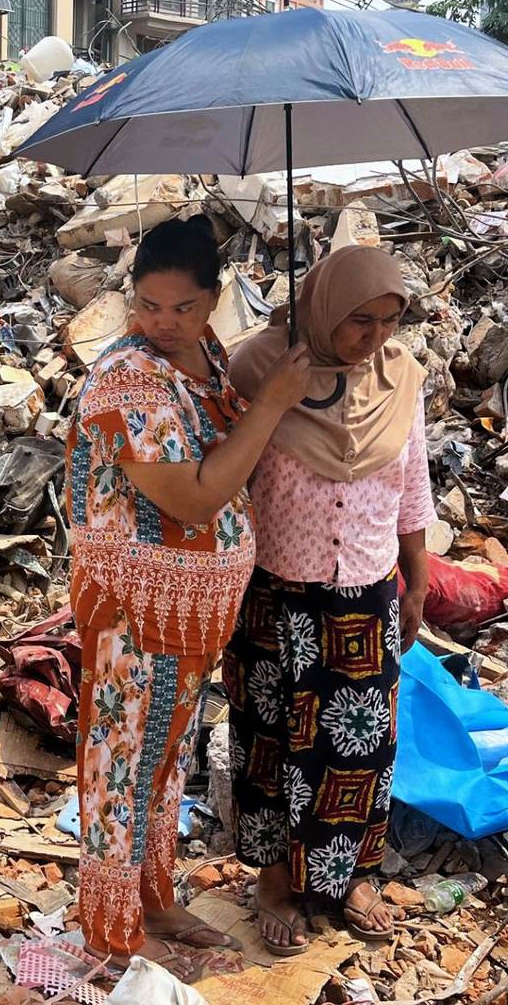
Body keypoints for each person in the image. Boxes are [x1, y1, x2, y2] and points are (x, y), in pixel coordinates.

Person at [69, 215, 311, 978]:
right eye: (147, 304)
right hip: (135, 612)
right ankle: (112, 932)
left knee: (164, 761)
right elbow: (197, 496)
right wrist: (273, 402)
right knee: (120, 763)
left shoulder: (204, 355)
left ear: (213, 301)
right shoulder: (128, 377)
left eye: (182, 306)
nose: (163, 322)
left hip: (191, 617)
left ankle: (156, 899)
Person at [227, 245, 434, 954]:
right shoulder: (261, 367)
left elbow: (412, 486)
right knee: (272, 739)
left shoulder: (400, 378)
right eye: (357, 321)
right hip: (276, 593)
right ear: (322, 309)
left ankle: (350, 875)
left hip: (366, 595)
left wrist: (417, 583)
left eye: (387, 321)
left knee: (359, 745)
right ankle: (277, 879)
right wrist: (278, 398)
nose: (373, 337)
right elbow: (227, 472)